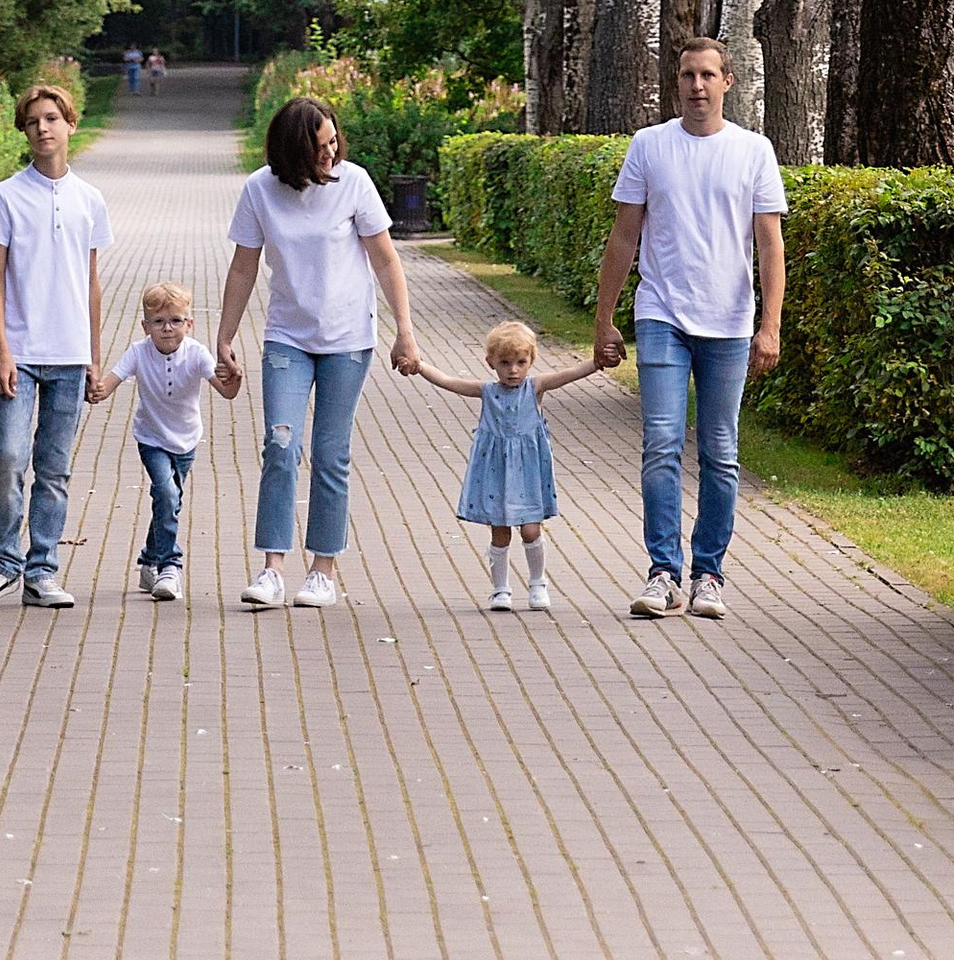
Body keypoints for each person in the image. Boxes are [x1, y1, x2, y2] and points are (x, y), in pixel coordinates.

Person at [591, 37, 786, 622]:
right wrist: (603, 318)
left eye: (707, 75)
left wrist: (770, 324)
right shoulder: (650, 146)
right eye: (686, 76)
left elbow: (770, 244)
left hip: (728, 322)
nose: (696, 86)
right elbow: (625, 237)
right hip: (662, 315)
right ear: (675, 83)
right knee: (661, 444)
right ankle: (662, 573)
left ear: (728, 81)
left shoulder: (753, 150)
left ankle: (708, 575)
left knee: (721, 452)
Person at [218, 94, 419, 609]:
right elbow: (244, 267)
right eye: (318, 147)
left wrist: (406, 331)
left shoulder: (354, 182)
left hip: (349, 340)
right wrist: (225, 335)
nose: (330, 154)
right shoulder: (260, 190)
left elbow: (386, 261)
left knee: (331, 453)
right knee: (281, 447)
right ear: (291, 151)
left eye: (333, 142)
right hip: (287, 336)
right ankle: (271, 570)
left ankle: (323, 569)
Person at [0, 84, 111, 611]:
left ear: (70, 124)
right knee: (10, 455)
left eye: (52, 119)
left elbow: (92, 283)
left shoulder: (89, 199)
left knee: (54, 467)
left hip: (70, 356)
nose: (43, 129)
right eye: (32, 122)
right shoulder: (6, 195)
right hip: (21, 354)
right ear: (23, 132)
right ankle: (3, 561)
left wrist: (95, 358)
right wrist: (2, 349)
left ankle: (42, 569)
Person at [410, 319, 601, 612]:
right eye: (505, 363)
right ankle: (500, 590)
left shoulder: (536, 388)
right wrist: (419, 365)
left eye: (521, 362)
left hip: (528, 471)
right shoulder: (486, 391)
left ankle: (537, 583)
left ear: (531, 361)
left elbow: (570, 374)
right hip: (495, 472)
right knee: (499, 531)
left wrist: (598, 361)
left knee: (530, 529)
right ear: (491, 362)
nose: (513, 370)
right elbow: (449, 382)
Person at [90, 277, 232, 597]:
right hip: (151, 437)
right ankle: (170, 566)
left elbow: (225, 390)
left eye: (175, 321)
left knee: (169, 501)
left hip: (186, 440)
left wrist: (232, 377)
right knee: (166, 494)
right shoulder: (138, 353)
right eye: (159, 322)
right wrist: (93, 387)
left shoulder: (196, 353)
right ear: (145, 325)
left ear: (189, 323)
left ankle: (148, 560)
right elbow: (110, 382)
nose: (167, 328)